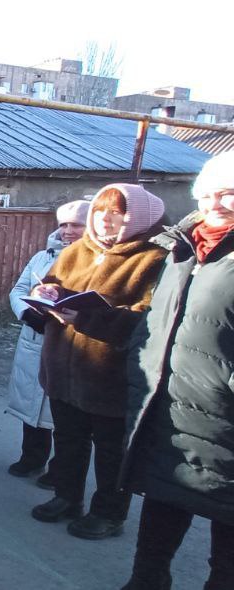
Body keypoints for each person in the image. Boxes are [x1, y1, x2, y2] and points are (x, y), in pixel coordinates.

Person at [119, 152, 234, 589]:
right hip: (167, 407)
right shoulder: (183, 248)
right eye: (206, 193)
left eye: (229, 193)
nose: (214, 203)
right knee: (163, 500)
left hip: (225, 419)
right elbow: (157, 319)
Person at [28, 184, 166, 541]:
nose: (105, 219)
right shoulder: (77, 250)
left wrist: (87, 319)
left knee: (111, 449)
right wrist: (46, 293)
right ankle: (67, 497)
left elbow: (151, 317)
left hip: (110, 374)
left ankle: (108, 513)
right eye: (100, 211)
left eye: (116, 213)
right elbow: (54, 284)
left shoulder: (154, 258)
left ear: (138, 217)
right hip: (63, 367)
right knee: (68, 437)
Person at [4, 199, 89, 487]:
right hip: (35, 336)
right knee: (31, 397)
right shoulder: (43, 256)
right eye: (64, 224)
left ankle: (60, 469)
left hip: (70, 341)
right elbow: (19, 289)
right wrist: (27, 313)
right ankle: (32, 457)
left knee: (62, 410)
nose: (68, 231)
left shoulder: (95, 261)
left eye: (76, 225)